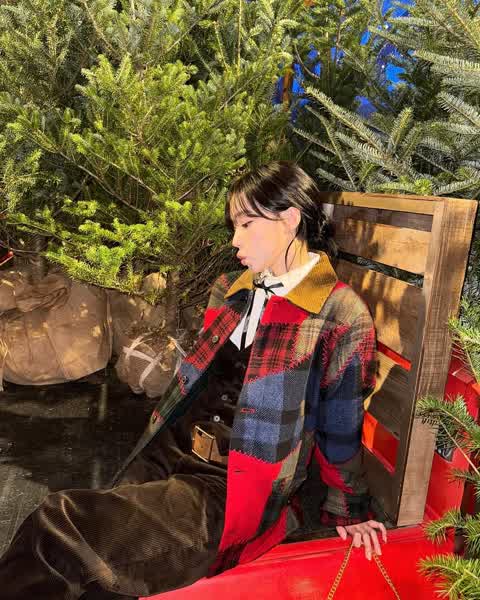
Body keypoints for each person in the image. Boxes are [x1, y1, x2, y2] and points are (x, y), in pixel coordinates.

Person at [0, 161, 386, 600]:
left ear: (290, 219)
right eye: (233, 226)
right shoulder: (230, 289)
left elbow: (341, 421)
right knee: (96, 571)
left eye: (246, 224)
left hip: (229, 487)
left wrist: (349, 510)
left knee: (58, 524)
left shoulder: (338, 313)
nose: (234, 240)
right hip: (172, 451)